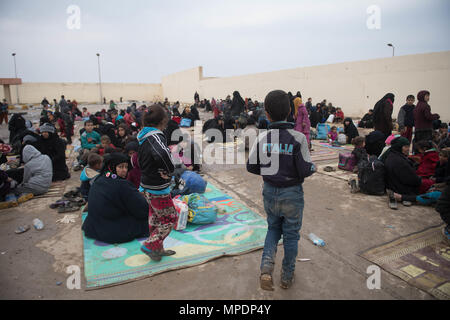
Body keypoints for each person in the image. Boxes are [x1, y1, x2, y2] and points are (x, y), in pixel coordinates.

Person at [247, 90, 315, 290]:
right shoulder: (299, 138)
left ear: (266, 114)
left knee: (273, 228)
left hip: (269, 191)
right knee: (292, 235)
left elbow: (251, 166)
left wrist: (269, 171)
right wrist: (313, 168)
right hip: (292, 193)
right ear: (290, 112)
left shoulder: (262, 138)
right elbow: (305, 169)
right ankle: (286, 276)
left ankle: (266, 268)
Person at [137, 104, 177, 262]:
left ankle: (157, 249)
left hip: (147, 185)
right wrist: (170, 170)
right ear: (163, 120)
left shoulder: (144, 136)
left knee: (155, 218)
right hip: (157, 187)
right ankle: (151, 244)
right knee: (169, 218)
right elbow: (162, 153)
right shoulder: (155, 136)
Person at [81, 153, 149, 244]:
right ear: (111, 167)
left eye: (126, 167)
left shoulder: (100, 179)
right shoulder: (123, 185)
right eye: (120, 167)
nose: (124, 170)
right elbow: (143, 210)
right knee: (149, 221)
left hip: (92, 226)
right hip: (112, 232)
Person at [382, 137, 430, 208]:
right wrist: (420, 179)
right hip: (400, 188)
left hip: (391, 185)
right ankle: (405, 197)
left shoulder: (390, 154)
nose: (408, 149)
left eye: (408, 146)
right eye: (406, 147)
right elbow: (412, 179)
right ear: (399, 147)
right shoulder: (400, 161)